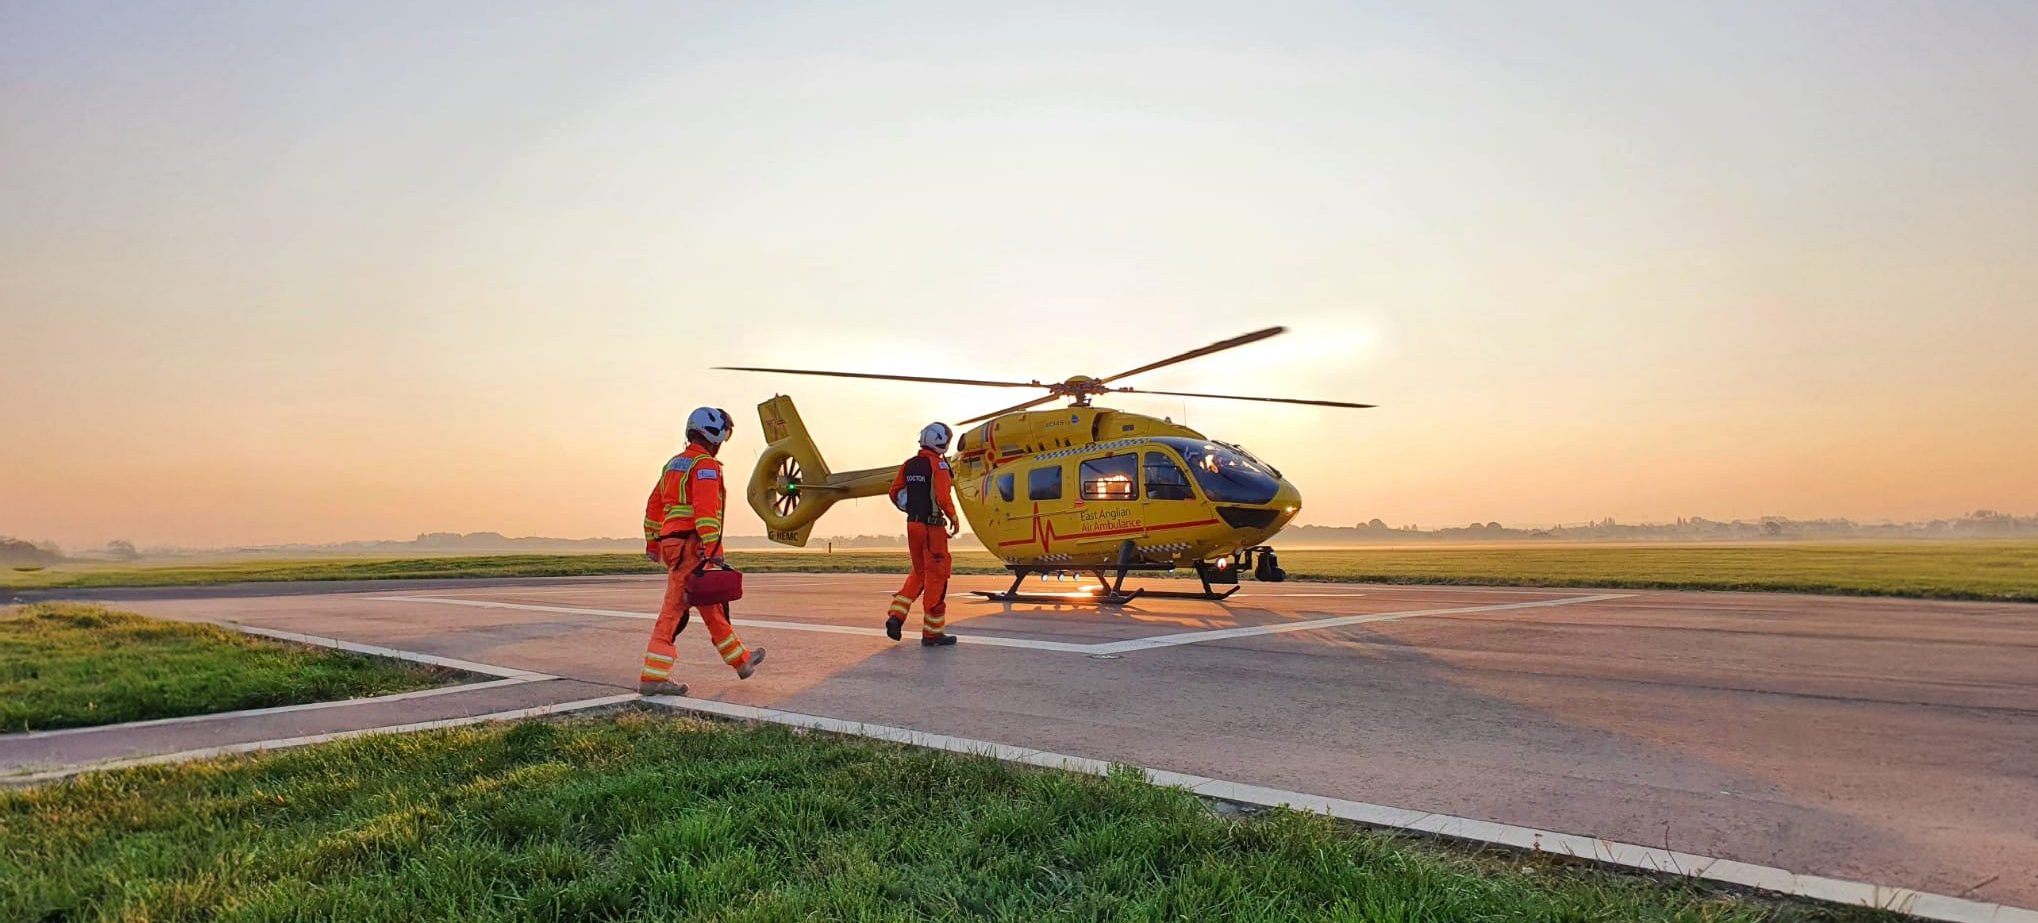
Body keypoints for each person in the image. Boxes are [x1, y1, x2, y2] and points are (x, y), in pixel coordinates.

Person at [637, 406, 763, 695]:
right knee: (673, 611)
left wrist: (653, 542)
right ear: (714, 435)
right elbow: (706, 512)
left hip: (673, 542)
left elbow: (654, 505)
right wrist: (714, 548)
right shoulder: (705, 466)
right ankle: (653, 676)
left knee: (709, 603)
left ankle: (741, 661)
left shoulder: (674, 464)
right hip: (691, 544)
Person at [884, 422, 960, 646]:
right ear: (942, 442)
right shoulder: (939, 465)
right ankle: (932, 633)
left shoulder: (909, 465)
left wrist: (911, 507)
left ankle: (895, 617)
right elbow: (944, 496)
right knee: (937, 576)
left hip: (913, 526)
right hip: (932, 529)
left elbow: (895, 492)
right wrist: (954, 518)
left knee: (918, 573)